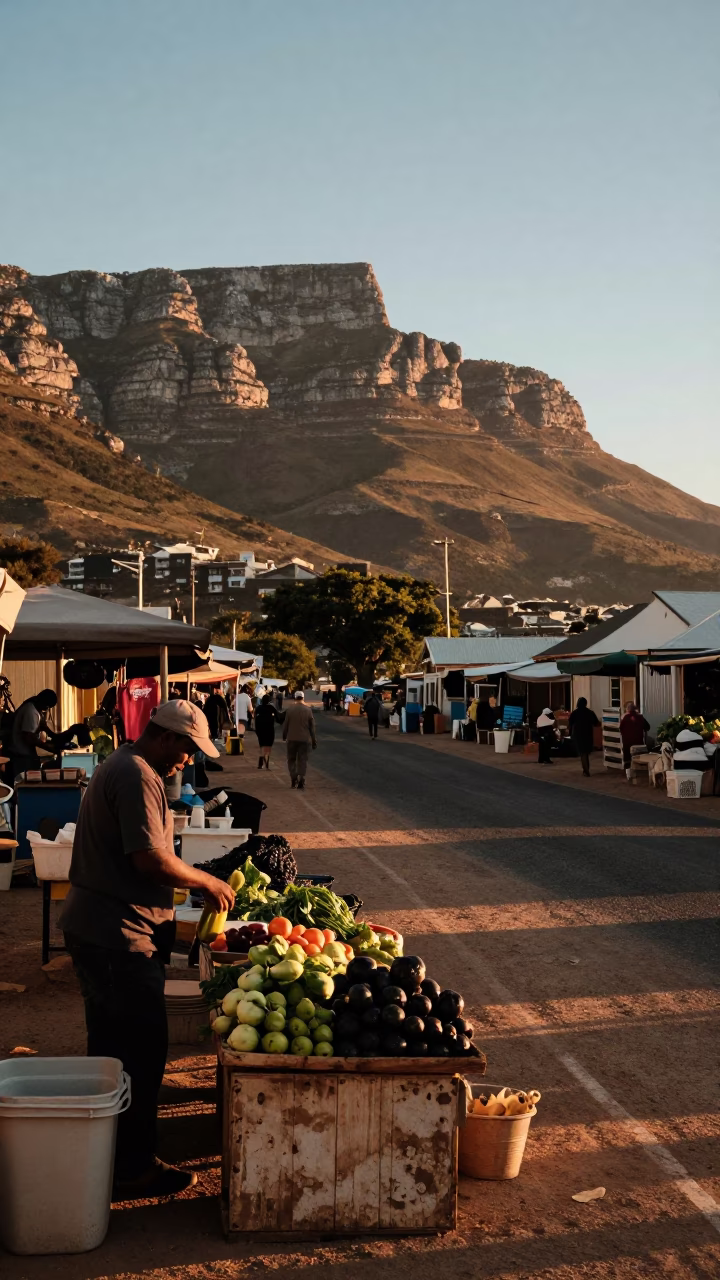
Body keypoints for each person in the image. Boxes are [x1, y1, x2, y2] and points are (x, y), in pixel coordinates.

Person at [60, 700, 235, 1199]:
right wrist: (205, 881)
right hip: (117, 935)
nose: (187, 760)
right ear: (164, 736)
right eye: (186, 749)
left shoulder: (126, 766)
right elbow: (148, 860)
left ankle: (107, 1154)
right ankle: (132, 1166)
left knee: (113, 1052)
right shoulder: (136, 774)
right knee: (138, 1051)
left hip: (107, 928)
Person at [9, 688, 88, 780]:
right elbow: (29, 738)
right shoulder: (31, 712)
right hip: (21, 756)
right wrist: (50, 748)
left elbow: (47, 731)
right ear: (45, 704)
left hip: (26, 755)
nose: (47, 709)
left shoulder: (37, 711)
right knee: (21, 785)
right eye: (47, 707)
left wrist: (56, 738)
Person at [282, 690, 317, 789]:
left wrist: (284, 736)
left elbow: (286, 725)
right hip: (304, 740)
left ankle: (293, 777)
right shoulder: (308, 710)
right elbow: (312, 727)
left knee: (291, 759)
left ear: (295, 698)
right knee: (302, 760)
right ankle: (301, 778)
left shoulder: (290, 710)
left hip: (292, 739)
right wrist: (314, 740)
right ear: (303, 698)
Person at [567, 696, 600, 776]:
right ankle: (586, 769)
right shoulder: (590, 712)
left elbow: (570, 724)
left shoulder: (575, 713)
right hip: (588, 734)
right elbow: (596, 723)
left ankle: (586, 770)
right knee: (585, 752)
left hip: (578, 735)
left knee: (582, 753)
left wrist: (570, 733)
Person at [254, 693, 282, 769]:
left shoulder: (258, 708)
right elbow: (279, 719)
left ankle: (261, 763)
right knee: (268, 746)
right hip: (269, 730)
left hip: (260, 730)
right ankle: (267, 764)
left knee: (262, 746)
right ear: (269, 701)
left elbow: (255, 719)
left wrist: (256, 729)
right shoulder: (271, 708)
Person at [619, 702, 650, 768]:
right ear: (635, 709)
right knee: (638, 758)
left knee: (627, 758)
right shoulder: (640, 717)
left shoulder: (624, 718)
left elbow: (620, 728)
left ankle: (628, 771)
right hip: (638, 742)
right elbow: (647, 727)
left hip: (627, 743)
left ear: (627, 709)